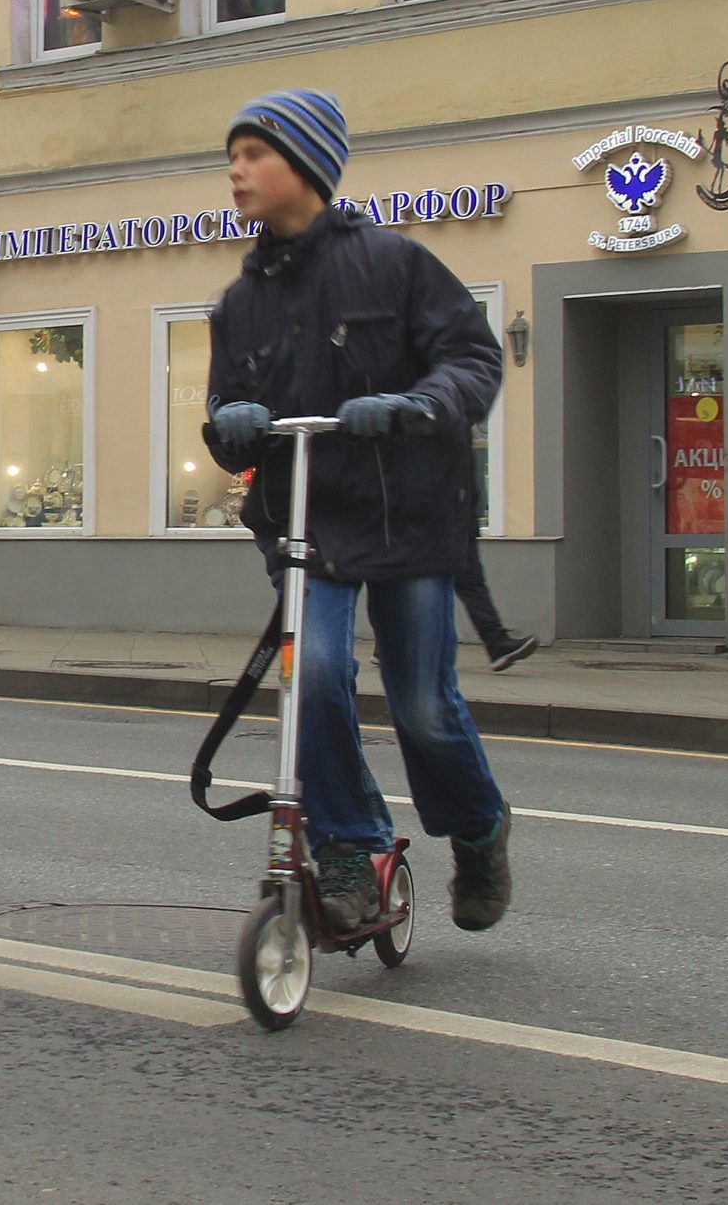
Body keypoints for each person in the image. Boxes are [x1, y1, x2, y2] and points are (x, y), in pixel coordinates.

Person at [203, 89, 514, 933]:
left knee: (421, 700)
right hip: (311, 526)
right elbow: (228, 414)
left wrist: (419, 402)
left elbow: (473, 356)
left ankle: (480, 828)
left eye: (254, 152)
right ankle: (350, 848)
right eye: (231, 155)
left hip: (409, 516)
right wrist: (228, 426)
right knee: (315, 684)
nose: (235, 169)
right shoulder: (240, 304)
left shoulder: (395, 262)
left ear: (305, 164)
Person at [456, 473, 537, 671]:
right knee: (421, 586)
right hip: (434, 524)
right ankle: (388, 644)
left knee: (472, 586)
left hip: (459, 522)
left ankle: (497, 644)